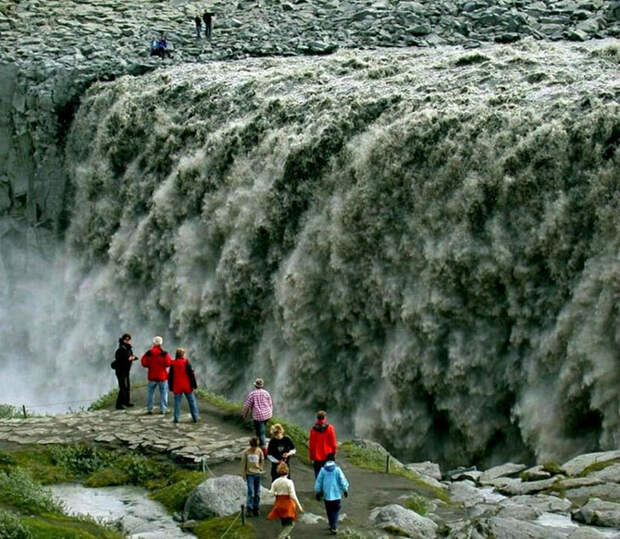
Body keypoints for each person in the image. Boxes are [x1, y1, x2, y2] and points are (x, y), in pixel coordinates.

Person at [314, 453, 349, 535]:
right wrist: (345, 490)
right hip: (336, 495)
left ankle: (331, 523)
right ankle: (334, 526)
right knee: (336, 510)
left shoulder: (323, 470)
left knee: (329, 510)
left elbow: (318, 482)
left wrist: (318, 492)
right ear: (334, 460)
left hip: (327, 495)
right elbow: (342, 480)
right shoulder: (337, 470)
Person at [267, 462, 303, 539]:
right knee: (291, 523)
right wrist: (299, 506)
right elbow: (293, 495)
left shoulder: (275, 482)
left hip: (279, 503)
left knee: (284, 521)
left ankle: (287, 536)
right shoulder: (289, 482)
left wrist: (276, 493)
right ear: (287, 471)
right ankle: (282, 536)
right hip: (288, 504)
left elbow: (271, 494)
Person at [141, 336, 172, 414]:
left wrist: (150, 365)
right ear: (161, 343)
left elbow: (143, 363)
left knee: (150, 393)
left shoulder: (148, 353)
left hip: (152, 376)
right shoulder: (164, 353)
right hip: (162, 376)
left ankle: (149, 409)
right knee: (164, 393)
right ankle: (163, 409)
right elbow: (168, 363)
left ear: (153, 343)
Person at [168, 347, 199, 423]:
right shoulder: (186, 362)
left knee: (177, 403)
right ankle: (195, 417)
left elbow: (170, 376)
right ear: (182, 355)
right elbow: (191, 374)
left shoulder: (173, 363)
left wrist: (170, 387)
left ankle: (176, 418)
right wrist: (194, 385)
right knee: (192, 402)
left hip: (177, 386)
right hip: (186, 386)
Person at [242, 378, 273, 453]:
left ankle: (264, 450)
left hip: (258, 416)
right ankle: (260, 443)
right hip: (267, 414)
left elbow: (247, 405)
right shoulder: (266, 393)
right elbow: (270, 403)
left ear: (255, 385)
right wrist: (270, 412)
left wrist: (244, 414)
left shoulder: (252, 394)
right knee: (261, 429)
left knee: (260, 432)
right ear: (262, 385)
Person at [111, 333, 138, 410]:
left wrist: (132, 357)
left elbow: (130, 356)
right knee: (123, 387)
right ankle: (118, 404)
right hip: (120, 371)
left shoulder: (128, 348)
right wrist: (129, 358)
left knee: (127, 387)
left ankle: (126, 402)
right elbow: (120, 359)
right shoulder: (120, 349)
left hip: (126, 370)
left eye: (129, 339)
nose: (128, 341)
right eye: (126, 339)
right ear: (123, 340)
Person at [309, 410, 337, 477]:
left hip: (317, 456)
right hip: (328, 455)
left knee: (318, 477)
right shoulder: (330, 428)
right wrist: (334, 452)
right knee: (329, 476)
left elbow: (311, 445)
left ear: (317, 418)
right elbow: (333, 443)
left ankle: (319, 487)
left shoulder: (313, 430)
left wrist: (311, 457)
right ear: (325, 418)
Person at [241, 437, 264, 517]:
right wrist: (243, 474)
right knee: (251, 491)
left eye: (256, 446)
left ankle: (256, 507)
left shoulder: (259, 451)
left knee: (257, 492)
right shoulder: (246, 452)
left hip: (257, 473)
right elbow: (243, 463)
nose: (255, 448)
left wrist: (260, 468)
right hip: (249, 474)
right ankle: (249, 508)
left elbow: (262, 460)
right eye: (254, 447)